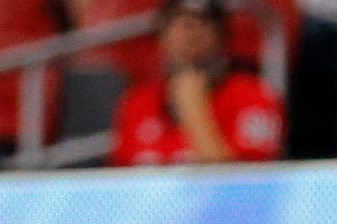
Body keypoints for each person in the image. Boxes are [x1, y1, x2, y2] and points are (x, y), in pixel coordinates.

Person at [112, 0, 285, 165]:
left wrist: (194, 111)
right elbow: (117, 182)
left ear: (223, 37)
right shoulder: (136, 103)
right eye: (181, 22)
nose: (191, 33)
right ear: (161, 35)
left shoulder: (254, 97)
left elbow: (247, 184)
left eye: (204, 23)